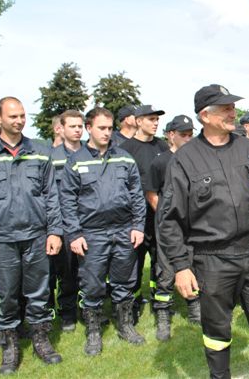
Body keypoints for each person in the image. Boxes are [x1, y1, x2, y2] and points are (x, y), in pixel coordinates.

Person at [159, 84, 249, 379]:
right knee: (217, 333)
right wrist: (180, 267)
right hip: (212, 260)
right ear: (205, 115)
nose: (234, 113)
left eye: (233, 107)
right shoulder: (184, 159)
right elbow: (169, 220)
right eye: (226, 108)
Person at [0, 97, 63, 374]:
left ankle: (41, 340)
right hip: (0, 238)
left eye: (22, 115)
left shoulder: (41, 151)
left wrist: (55, 231)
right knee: (6, 296)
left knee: (39, 293)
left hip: (36, 235)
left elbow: (51, 195)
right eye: (12, 116)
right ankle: (9, 347)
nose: (19, 120)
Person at [59, 107, 146, 356]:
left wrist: (138, 226)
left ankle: (125, 325)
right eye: (101, 128)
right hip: (92, 233)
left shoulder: (125, 158)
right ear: (89, 128)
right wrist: (74, 234)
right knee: (92, 284)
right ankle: (94, 333)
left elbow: (137, 196)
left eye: (110, 128)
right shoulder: (75, 162)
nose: (107, 133)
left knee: (124, 282)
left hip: (123, 231)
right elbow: (67, 200)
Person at [143, 114, 200, 340]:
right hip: (168, 225)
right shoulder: (160, 161)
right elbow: (152, 194)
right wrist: (168, 219)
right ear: (171, 135)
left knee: (193, 266)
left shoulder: (196, 159)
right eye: (183, 135)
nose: (188, 139)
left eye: (190, 134)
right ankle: (163, 315)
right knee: (166, 271)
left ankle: (195, 308)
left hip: (193, 224)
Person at [121, 105, 168, 321]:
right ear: (138, 121)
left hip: (160, 213)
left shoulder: (162, 146)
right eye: (151, 119)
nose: (155, 123)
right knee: (135, 262)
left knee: (160, 259)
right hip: (135, 217)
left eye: (157, 119)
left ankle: (160, 301)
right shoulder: (126, 149)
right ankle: (134, 303)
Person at [49, 110, 85, 332]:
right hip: (64, 224)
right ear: (61, 128)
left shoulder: (91, 154)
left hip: (90, 223)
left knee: (90, 272)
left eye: (80, 126)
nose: (77, 130)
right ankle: (68, 313)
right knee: (67, 272)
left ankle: (89, 310)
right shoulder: (52, 158)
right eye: (72, 126)